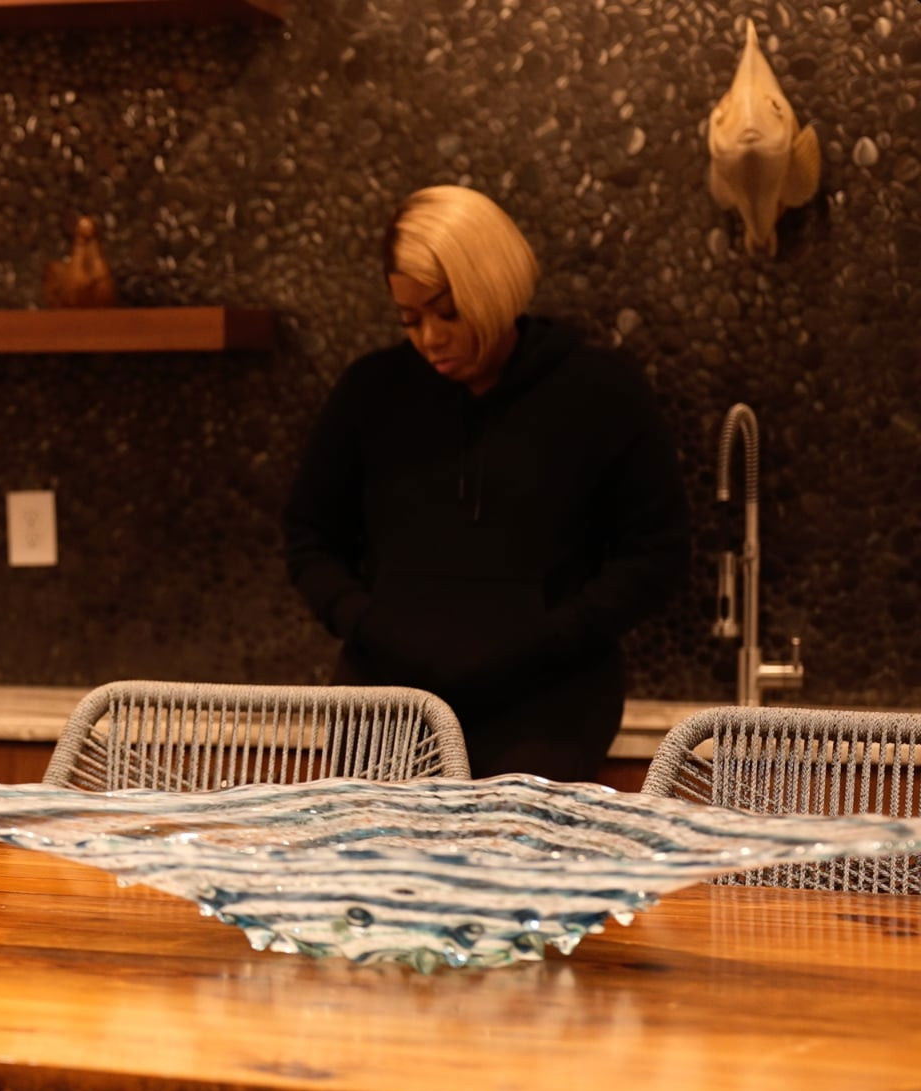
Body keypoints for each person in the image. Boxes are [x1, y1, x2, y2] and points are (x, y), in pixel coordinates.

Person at [283, 186, 690, 782]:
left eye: (448, 313)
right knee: (365, 841)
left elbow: (657, 553)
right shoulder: (371, 392)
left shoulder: (600, 391)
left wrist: (553, 636)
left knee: (515, 839)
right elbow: (309, 536)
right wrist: (367, 623)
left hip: (550, 704)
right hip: (387, 701)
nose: (430, 338)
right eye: (409, 318)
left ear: (493, 289)